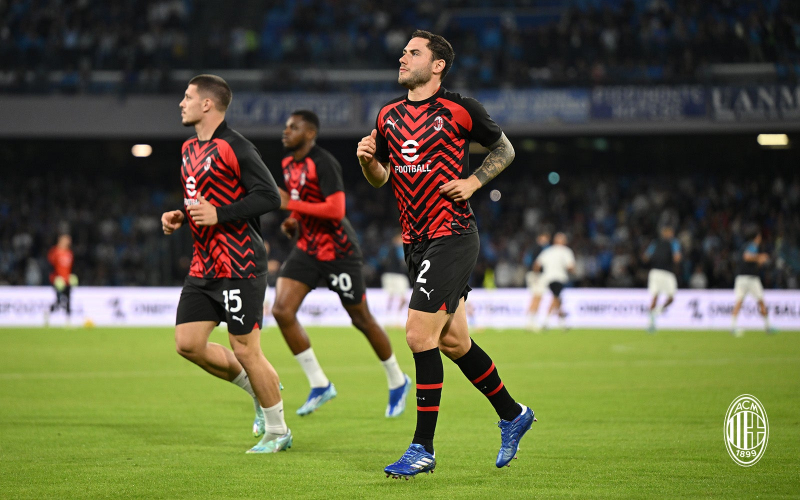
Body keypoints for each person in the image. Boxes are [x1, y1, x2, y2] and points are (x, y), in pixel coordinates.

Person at [356, 30, 535, 478]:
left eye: (413, 52)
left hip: (452, 234)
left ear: (437, 66)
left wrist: (474, 182)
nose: (403, 57)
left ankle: (423, 448)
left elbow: (505, 148)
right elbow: (382, 178)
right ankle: (513, 413)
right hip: (414, 241)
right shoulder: (387, 115)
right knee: (454, 342)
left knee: (419, 335)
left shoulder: (460, 109)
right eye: (404, 51)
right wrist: (367, 162)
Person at [160, 74, 291, 454]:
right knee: (188, 344)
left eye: (187, 97)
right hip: (204, 265)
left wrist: (221, 214)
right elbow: (202, 199)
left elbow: (270, 196)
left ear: (207, 104)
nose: (181, 103)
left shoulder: (236, 147)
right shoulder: (188, 149)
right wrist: (182, 215)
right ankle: (258, 389)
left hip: (239, 263)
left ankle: (278, 431)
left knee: (246, 349)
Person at [272, 110, 411, 418]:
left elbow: (335, 210)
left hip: (338, 251)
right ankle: (319, 384)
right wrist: (294, 219)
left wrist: (291, 205)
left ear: (310, 133)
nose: (286, 131)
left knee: (361, 319)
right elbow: (303, 201)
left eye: (293, 127)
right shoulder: (288, 164)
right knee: (281, 310)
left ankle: (397, 379)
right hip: (307, 248)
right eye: (286, 126)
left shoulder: (323, 162)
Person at [731, 230, 775, 337]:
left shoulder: (744, 246)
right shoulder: (753, 246)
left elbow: (749, 262)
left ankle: (733, 327)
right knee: (761, 301)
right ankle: (768, 326)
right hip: (751, 279)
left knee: (739, 301)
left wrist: (759, 261)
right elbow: (747, 257)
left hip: (741, 277)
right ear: (757, 237)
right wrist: (760, 257)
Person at [642, 226, 681, 333]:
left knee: (669, 298)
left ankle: (655, 313)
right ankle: (651, 323)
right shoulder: (665, 243)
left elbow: (645, 257)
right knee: (656, 297)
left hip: (663, 272)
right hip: (660, 272)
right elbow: (677, 258)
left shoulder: (665, 243)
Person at [533, 232, 575, 331]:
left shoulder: (548, 251)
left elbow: (537, 264)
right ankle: (547, 321)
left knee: (557, 298)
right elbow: (570, 267)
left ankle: (562, 323)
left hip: (547, 278)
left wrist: (537, 275)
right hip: (559, 278)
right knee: (556, 298)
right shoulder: (566, 251)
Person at [44, 234, 77, 327]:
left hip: (67, 280)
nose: (69, 242)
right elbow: (50, 266)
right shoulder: (54, 252)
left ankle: (68, 321)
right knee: (59, 300)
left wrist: (71, 276)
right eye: (67, 240)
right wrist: (55, 278)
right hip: (57, 281)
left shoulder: (69, 253)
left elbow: (70, 268)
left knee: (68, 300)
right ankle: (48, 313)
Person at [379, 233, 411, 326]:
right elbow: (403, 261)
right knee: (402, 298)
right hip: (398, 276)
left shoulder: (386, 248)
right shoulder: (399, 248)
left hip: (387, 275)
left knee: (390, 297)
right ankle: (397, 318)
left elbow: (382, 260)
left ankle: (388, 317)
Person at [525, 232, 551, 331]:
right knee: (537, 297)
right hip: (536, 275)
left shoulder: (534, 248)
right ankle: (531, 322)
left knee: (536, 297)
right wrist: (536, 275)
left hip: (534, 274)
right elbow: (536, 264)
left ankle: (530, 321)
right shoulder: (539, 248)